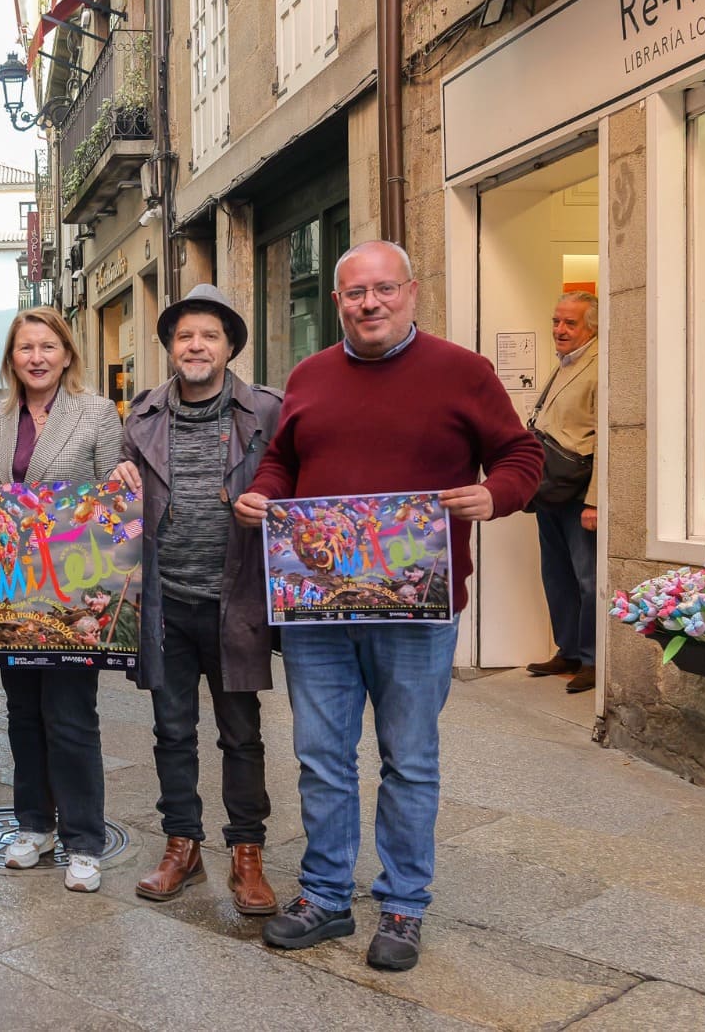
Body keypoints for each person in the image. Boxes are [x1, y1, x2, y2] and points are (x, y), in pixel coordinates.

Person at [234, 241, 542, 972]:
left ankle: (403, 906)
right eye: (353, 293)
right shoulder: (309, 377)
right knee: (321, 757)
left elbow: (521, 457)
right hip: (319, 610)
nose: (368, 304)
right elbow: (284, 459)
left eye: (382, 290)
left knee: (409, 758)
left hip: (417, 611)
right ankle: (326, 895)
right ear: (337, 301)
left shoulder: (462, 372)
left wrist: (494, 496)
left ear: (411, 291)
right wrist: (264, 494)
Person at [110, 284, 283, 917]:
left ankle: (248, 853)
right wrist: (116, 476)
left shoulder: (267, 412)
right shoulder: (143, 416)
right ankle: (182, 843)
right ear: (169, 348)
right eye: (185, 336)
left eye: (209, 335)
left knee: (241, 733)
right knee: (171, 730)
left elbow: (292, 483)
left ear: (230, 346)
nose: (196, 345)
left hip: (234, 599)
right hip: (165, 601)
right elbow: (116, 496)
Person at [0, 305, 123, 893]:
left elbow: (112, 499)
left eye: (47, 348)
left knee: (71, 714)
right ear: (11, 359)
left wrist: (124, 480)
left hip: (72, 589)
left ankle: (83, 839)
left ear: (66, 355)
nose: (37, 358)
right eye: (26, 348)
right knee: (23, 712)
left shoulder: (96, 413)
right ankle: (34, 825)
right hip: (9, 592)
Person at [527, 292, 599, 694]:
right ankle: (568, 649)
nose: (559, 330)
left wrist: (594, 500)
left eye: (569, 323)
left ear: (590, 326)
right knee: (556, 574)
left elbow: (608, 440)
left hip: (578, 493)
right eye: (556, 321)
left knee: (587, 578)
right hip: (550, 489)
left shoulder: (599, 364)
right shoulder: (564, 364)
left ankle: (590, 659)